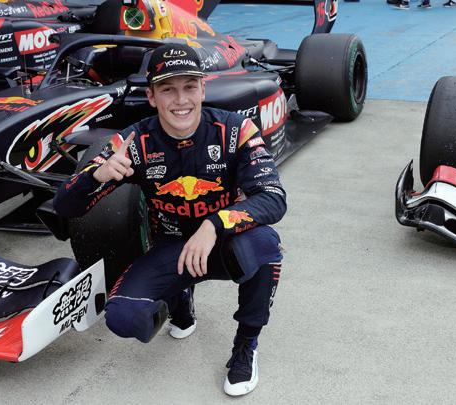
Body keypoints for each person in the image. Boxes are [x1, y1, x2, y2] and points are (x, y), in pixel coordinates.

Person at [53, 43, 286, 396]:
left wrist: (214, 224)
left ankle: (245, 347)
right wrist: (95, 176)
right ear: (151, 96)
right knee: (123, 318)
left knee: (265, 245)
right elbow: (65, 207)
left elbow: (273, 198)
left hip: (223, 244)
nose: (181, 100)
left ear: (203, 89)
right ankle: (179, 299)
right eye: (167, 89)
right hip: (171, 250)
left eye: (189, 87)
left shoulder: (236, 129)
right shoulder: (131, 142)